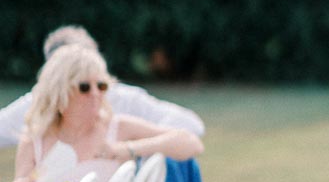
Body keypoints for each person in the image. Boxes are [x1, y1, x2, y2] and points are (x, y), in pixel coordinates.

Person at [6, 44, 203, 182]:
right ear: (60, 92)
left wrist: (126, 150)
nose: (95, 94)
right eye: (84, 87)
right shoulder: (34, 141)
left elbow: (191, 143)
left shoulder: (118, 128)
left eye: (101, 86)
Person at [0, 25, 205, 149]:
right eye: (77, 81)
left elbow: (190, 126)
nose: (94, 93)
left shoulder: (121, 99)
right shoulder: (40, 104)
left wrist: (132, 148)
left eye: (98, 83)